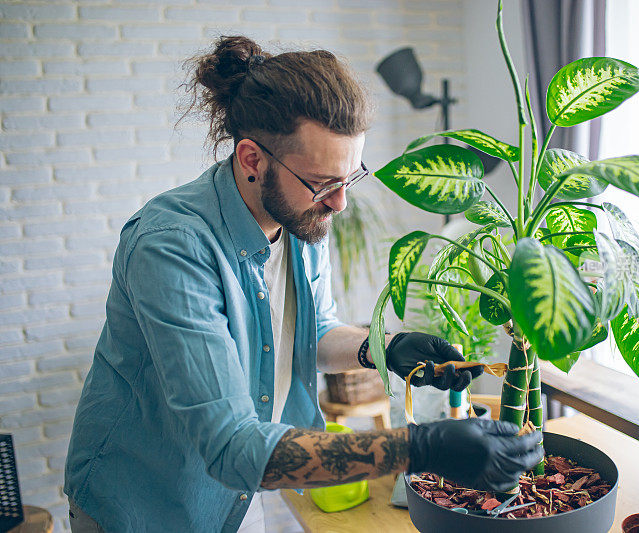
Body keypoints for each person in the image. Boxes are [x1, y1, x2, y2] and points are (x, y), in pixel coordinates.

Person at [63, 36, 544, 532]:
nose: (338, 204)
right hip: (146, 504)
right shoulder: (172, 247)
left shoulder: (301, 217)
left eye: (348, 178)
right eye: (322, 183)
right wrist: (419, 448)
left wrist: (386, 348)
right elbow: (230, 445)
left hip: (241, 490)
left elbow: (309, 333)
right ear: (252, 160)